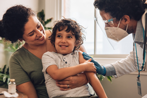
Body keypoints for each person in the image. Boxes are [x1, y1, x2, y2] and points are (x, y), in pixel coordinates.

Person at [0, 5, 89, 98]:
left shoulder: (63, 36)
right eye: (31, 34)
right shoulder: (17, 60)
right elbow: (31, 96)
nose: (40, 33)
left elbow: (93, 67)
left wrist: (84, 79)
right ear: (21, 38)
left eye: (38, 26)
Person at [42, 18, 107, 98]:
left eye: (69, 37)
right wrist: (83, 67)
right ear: (54, 39)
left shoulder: (79, 55)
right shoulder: (48, 56)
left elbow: (92, 77)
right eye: (59, 36)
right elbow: (56, 74)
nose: (63, 40)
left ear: (76, 42)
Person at [83, 0, 146, 81]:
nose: (106, 27)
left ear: (125, 19)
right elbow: (136, 61)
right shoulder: (138, 30)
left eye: (107, 22)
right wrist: (104, 70)